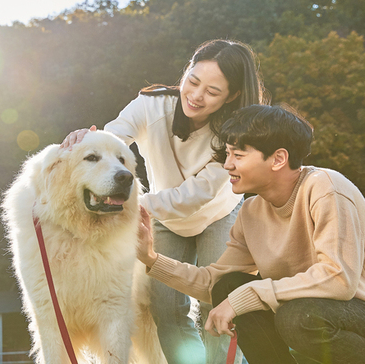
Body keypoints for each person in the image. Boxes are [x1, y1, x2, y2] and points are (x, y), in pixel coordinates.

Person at [136, 104, 365, 364]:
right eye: (227, 154)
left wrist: (249, 293)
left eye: (238, 154)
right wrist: (150, 258)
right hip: (336, 319)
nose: (227, 165)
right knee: (230, 287)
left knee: (298, 317)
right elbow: (214, 283)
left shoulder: (325, 188)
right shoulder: (251, 213)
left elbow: (338, 279)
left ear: (278, 159)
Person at [61, 39, 266, 363]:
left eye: (212, 92)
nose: (196, 96)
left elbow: (194, 196)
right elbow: (115, 138)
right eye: (193, 81)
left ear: (233, 96)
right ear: (186, 71)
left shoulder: (236, 135)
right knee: (166, 310)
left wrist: (128, 207)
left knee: (220, 304)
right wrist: (86, 141)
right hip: (162, 217)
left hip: (218, 215)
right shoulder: (150, 105)